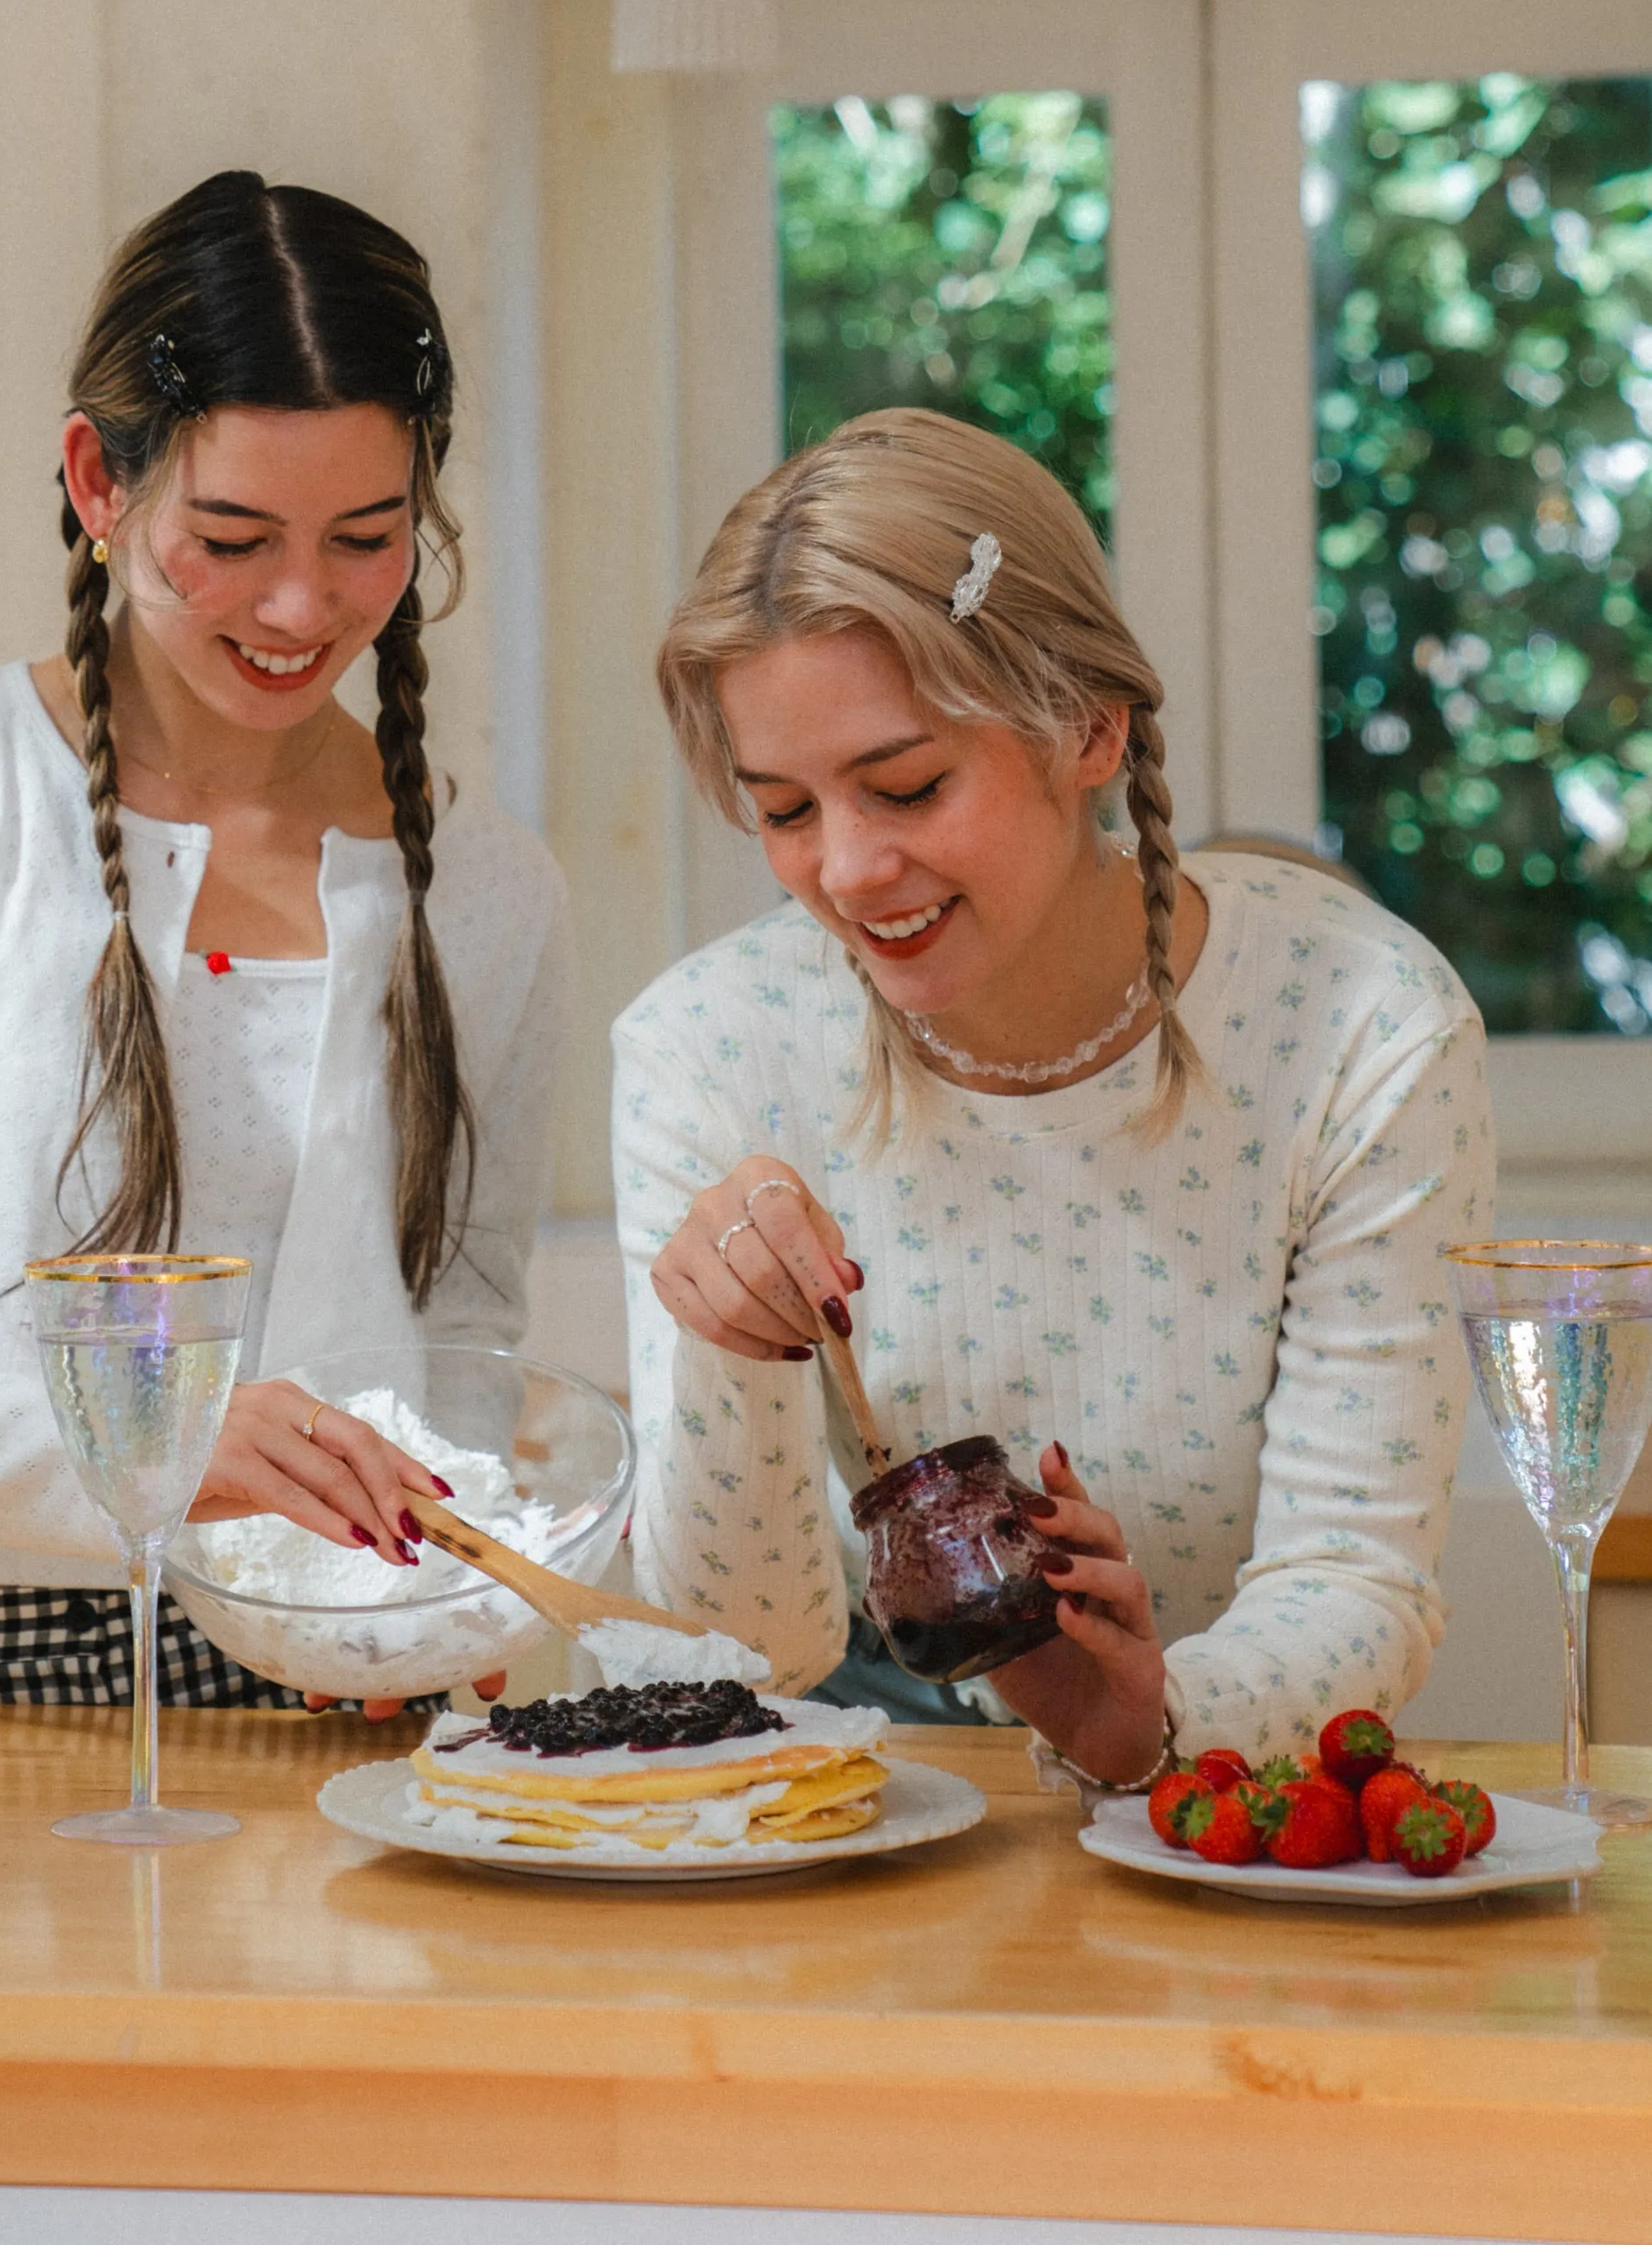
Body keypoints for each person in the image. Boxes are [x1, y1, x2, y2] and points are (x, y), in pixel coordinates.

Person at [0, 170, 569, 1715]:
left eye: (367, 537)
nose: (301, 602)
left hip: (337, 1665)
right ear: (95, 478)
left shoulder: (490, 885)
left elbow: (461, 1319)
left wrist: (430, 1579)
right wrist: (159, 1452)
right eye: (234, 533)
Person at [613, 409, 1492, 1780]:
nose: (845, 870)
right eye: (784, 812)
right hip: (847, 1808)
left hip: (1228, 1808)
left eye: (904, 785)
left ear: (1089, 728)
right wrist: (728, 1354)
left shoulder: (1363, 1025)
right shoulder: (707, 1048)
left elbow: (1356, 1577)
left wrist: (1143, 1715)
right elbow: (738, 1649)